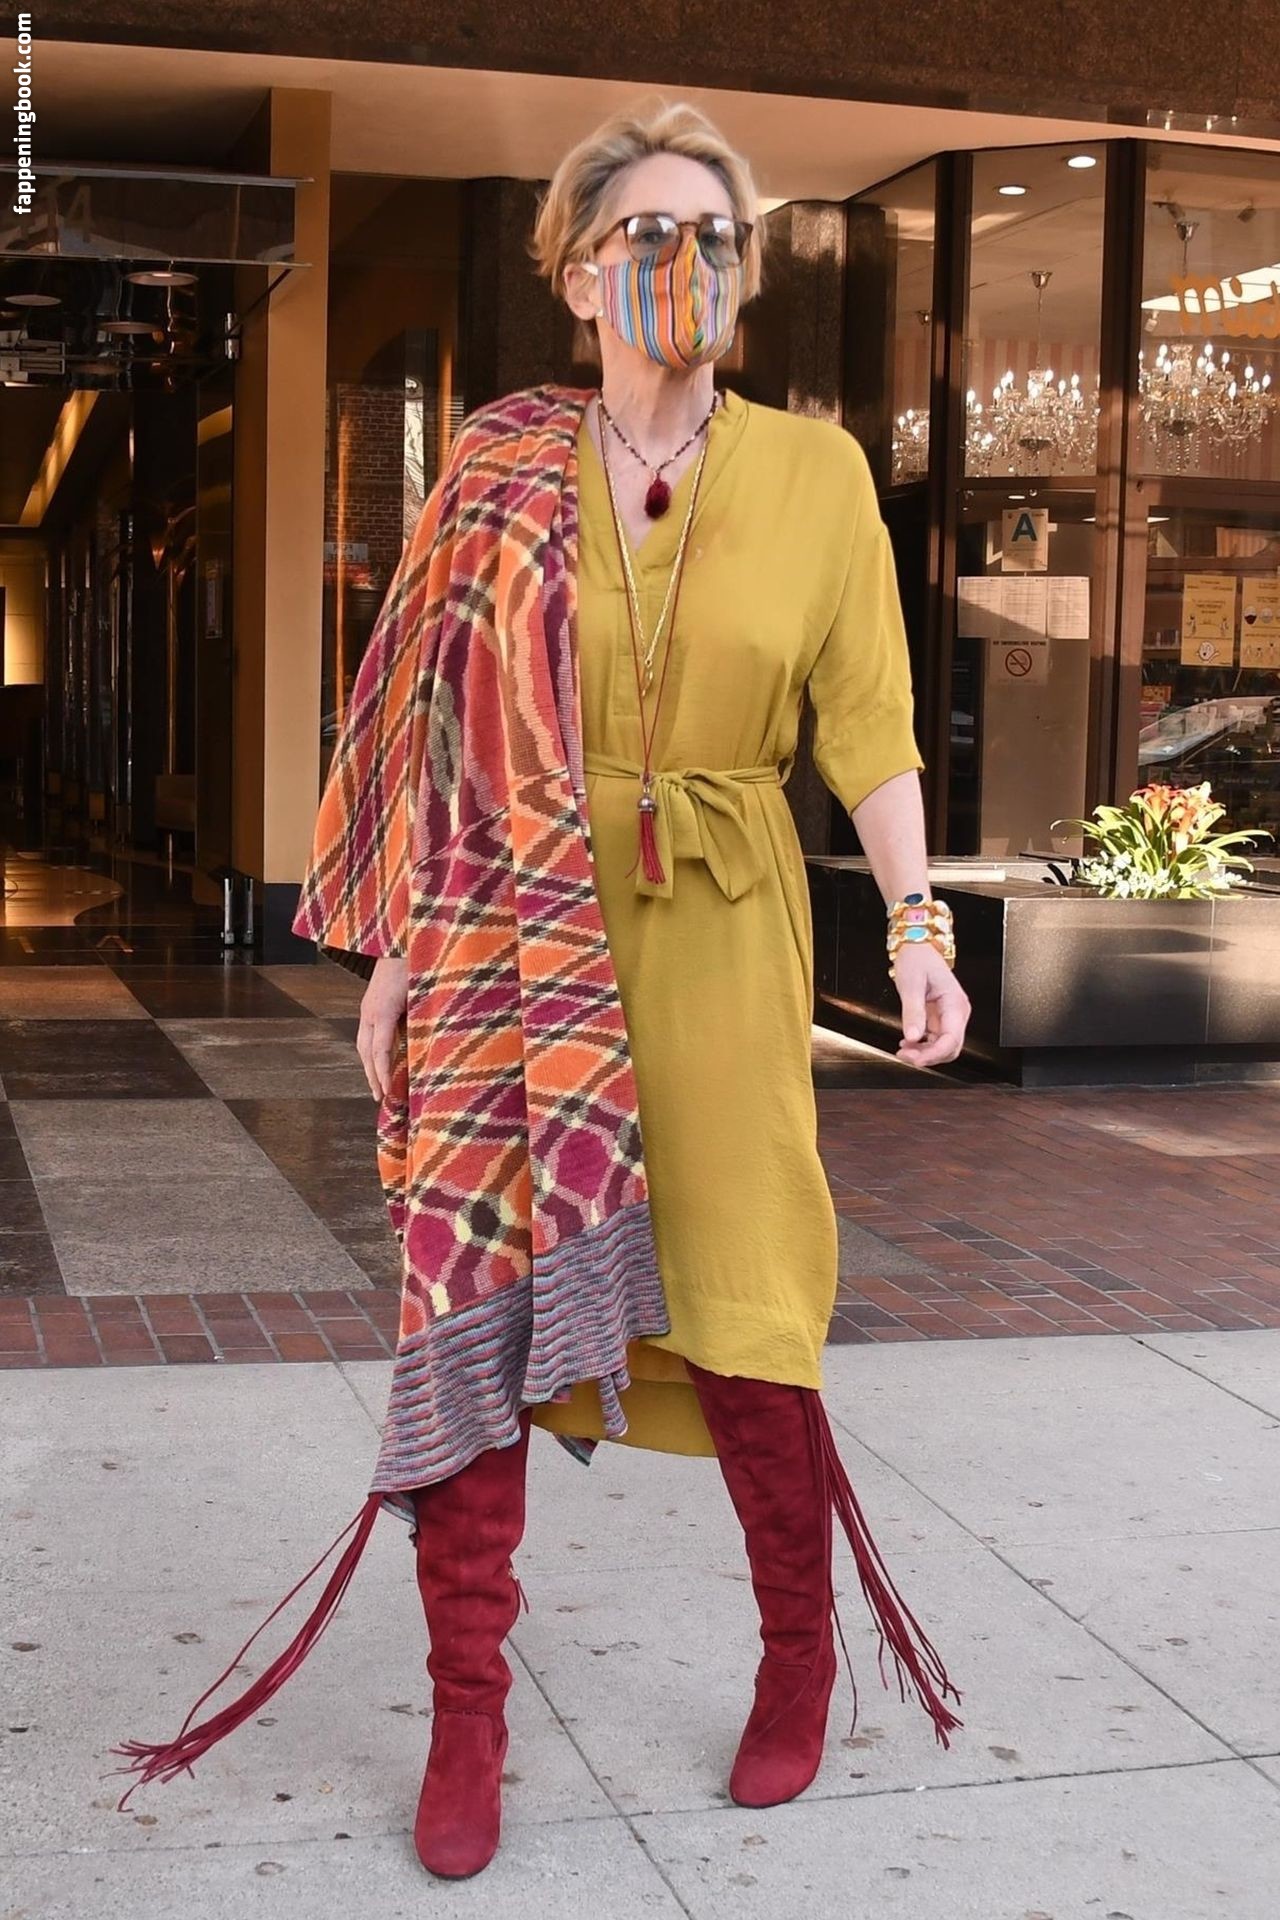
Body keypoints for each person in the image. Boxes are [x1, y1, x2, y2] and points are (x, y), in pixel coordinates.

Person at [111, 97, 971, 1881]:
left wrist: (916, 925)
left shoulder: (817, 477)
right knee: (476, 1304)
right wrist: (399, 953)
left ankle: (798, 1659)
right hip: (514, 936)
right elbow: (423, 724)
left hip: (724, 937)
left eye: (719, 239)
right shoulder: (499, 464)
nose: (689, 265)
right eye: (652, 235)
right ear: (580, 275)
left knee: (749, 1309)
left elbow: (872, 729)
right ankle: (467, 1716)